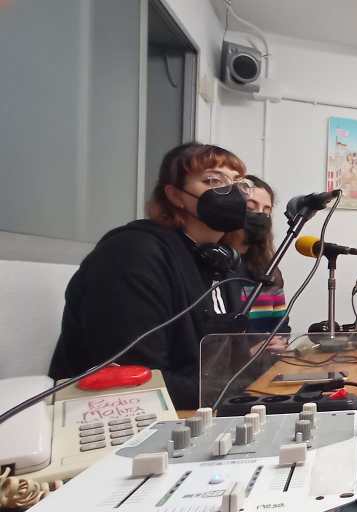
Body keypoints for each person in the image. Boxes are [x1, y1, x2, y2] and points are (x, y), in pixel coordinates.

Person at [49, 143, 252, 409]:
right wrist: (232, 392)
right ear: (175, 196)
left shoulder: (222, 261)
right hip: (116, 416)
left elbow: (228, 359)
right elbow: (139, 379)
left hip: (199, 406)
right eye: (213, 180)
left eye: (239, 183)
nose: (232, 192)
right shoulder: (131, 254)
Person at [224, 175, 290, 336]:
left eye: (266, 211)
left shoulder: (269, 270)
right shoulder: (216, 264)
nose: (260, 215)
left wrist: (279, 341)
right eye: (250, 207)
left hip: (267, 352)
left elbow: (282, 327)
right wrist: (250, 347)